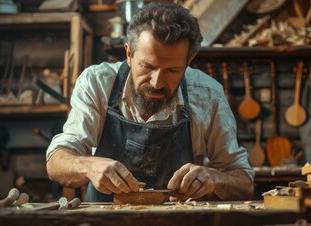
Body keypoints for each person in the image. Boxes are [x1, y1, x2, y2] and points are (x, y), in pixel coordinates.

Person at [46, 2, 254, 202]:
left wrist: (215, 179)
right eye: (147, 67)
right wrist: (88, 166)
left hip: (178, 223)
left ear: (188, 62)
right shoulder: (97, 83)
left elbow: (244, 183)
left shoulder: (208, 95)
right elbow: (56, 162)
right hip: (106, 221)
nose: (157, 82)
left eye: (172, 70)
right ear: (129, 54)